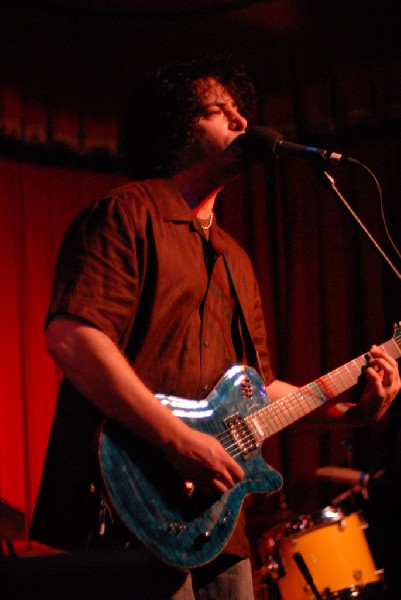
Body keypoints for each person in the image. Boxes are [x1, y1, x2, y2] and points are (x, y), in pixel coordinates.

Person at [29, 55, 401, 599]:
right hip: (131, 504)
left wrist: (355, 409)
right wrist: (179, 441)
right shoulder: (127, 214)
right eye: (218, 110)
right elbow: (71, 337)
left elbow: (260, 391)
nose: (242, 122)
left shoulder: (235, 259)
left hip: (219, 527)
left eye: (241, 111)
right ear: (178, 127)